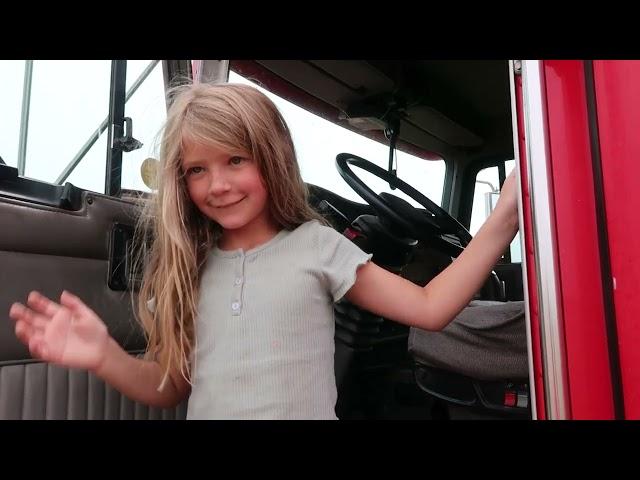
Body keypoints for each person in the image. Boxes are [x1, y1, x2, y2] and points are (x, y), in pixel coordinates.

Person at [8, 82, 520, 419]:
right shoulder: (190, 266)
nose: (219, 185)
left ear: (271, 158)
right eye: (197, 170)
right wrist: (103, 356)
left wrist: (504, 219)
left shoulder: (318, 247)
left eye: (235, 160)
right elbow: (170, 388)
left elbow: (429, 309)